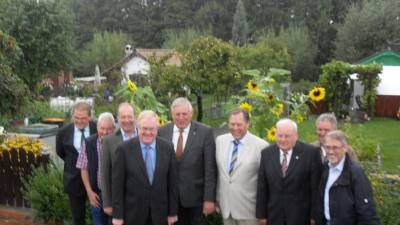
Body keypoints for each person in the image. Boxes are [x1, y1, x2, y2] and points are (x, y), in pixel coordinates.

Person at [112, 110, 178, 225]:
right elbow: (117, 185)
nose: (148, 132)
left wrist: (172, 212)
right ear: (138, 128)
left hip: (160, 214)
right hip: (133, 215)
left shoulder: (167, 148)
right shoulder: (123, 149)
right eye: (144, 128)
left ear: (157, 129)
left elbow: (172, 183)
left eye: (152, 129)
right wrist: (118, 215)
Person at [158, 97, 217, 225]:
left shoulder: (205, 132)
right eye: (177, 114)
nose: (181, 118)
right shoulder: (162, 132)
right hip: (171, 200)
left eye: (184, 114)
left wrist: (209, 199)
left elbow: (210, 169)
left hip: (196, 200)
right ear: (172, 114)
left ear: (191, 114)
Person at [256, 118, 322, 225]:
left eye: (287, 136)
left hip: (300, 217)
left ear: (296, 136)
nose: (283, 139)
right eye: (280, 135)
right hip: (274, 216)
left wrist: (314, 216)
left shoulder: (311, 154)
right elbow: (262, 187)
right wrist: (261, 215)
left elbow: (316, 188)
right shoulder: (267, 153)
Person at [215, 109, 269, 225]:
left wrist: (263, 211)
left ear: (248, 124)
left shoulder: (261, 146)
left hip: (249, 210)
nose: (235, 128)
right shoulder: (220, 141)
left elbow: (266, 182)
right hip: (226, 208)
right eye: (232, 124)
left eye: (239, 124)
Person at [316, 130, 380, 225]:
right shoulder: (325, 168)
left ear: (345, 148)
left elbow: (366, 210)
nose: (330, 151)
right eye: (327, 147)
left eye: (335, 148)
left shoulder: (355, 173)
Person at [56, 102, 97, 225]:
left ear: (89, 117)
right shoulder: (63, 132)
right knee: (77, 218)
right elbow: (61, 152)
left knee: (99, 215)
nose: (79, 121)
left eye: (83, 118)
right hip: (73, 180)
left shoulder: (97, 129)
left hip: (95, 180)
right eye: (76, 118)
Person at [76, 112, 115, 225]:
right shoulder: (88, 142)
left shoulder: (119, 143)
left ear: (113, 129)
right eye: (102, 128)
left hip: (114, 196)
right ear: (97, 127)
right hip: (97, 195)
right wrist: (89, 192)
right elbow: (83, 168)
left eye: (108, 129)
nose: (105, 132)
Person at [101, 102, 137, 218]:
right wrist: (107, 203)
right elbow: (105, 174)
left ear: (135, 117)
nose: (127, 120)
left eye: (129, 116)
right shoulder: (108, 141)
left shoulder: (145, 136)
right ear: (117, 119)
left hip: (142, 199)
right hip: (119, 200)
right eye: (123, 117)